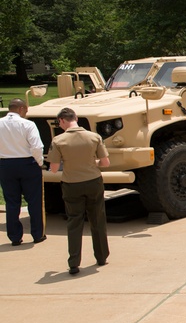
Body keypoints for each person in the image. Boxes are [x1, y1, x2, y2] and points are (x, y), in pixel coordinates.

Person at [47, 107, 110, 275]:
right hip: (93, 181)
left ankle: (74, 262)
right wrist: (91, 164)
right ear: (76, 118)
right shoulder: (94, 137)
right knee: (97, 218)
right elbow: (105, 163)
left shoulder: (58, 141)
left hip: (71, 184)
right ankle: (102, 256)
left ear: (61, 121)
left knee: (74, 222)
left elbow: (53, 168)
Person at [0, 98, 46, 246]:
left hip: (6, 164)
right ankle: (37, 234)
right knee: (34, 200)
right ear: (20, 109)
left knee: (12, 202)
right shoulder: (28, 124)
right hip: (27, 163)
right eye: (25, 110)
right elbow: (37, 147)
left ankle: (14, 237)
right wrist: (39, 163)